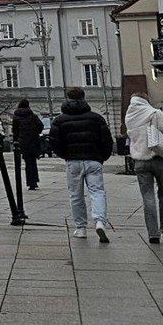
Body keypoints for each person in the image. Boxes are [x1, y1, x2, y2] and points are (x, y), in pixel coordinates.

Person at [47, 87, 113, 242]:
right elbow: (107, 140)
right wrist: (102, 157)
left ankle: (81, 228)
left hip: (73, 161)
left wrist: (65, 155)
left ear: (67, 99)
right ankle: (99, 222)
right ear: (84, 98)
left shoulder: (59, 120)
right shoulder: (96, 118)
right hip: (93, 160)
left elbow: (54, 142)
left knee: (76, 195)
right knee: (97, 192)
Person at [124, 94, 163, 244]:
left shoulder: (129, 117)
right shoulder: (155, 113)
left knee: (148, 198)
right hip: (159, 159)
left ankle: (153, 234)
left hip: (140, 162)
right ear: (146, 100)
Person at [10, 99, 44, 190]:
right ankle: (35, 181)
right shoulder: (32, 115)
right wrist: (36, 132)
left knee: (27, 162)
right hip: (33, 141)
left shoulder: (16, 117)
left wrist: (15, 141)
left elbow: (15, 131)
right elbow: (41, 125)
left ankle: (30, 182)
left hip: (23, 142)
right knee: (33, 161)